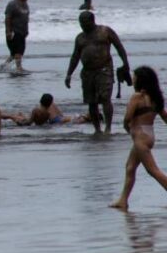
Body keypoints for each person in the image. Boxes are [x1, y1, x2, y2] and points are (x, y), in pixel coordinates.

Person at [110, 66, 167, 211]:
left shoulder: (137, 97)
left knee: (153, 170)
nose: (133, 79)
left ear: (140, 80)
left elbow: (128, 117)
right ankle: (123, 200)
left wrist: (126, 127)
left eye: (134, 77)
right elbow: (165, 117)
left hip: (140, 137)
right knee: (130, 167)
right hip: (149, 134)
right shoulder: (155, 98)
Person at [65, 11, 130, 135]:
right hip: (87, 73)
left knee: (105, 98)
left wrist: (125, 63)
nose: (82, 25)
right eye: (80, 23)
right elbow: (75, 57)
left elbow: (119, 47)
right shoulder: (80, 37)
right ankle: (97, 129)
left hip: (104, 69)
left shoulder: (105, 31)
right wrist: (69, 74)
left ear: (92, 20)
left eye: (85, 22)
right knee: (91, 102)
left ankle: (108, 128)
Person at [1, 93, 90, 126]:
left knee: (12, 116)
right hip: (58, 119)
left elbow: (29, 122)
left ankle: (5, 115)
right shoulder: (51, 106)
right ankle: (85, 116)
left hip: (55, 121)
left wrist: (19, 123)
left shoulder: (36, 111)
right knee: (70, 119)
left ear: (40, 101)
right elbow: (61, 116)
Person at [1, 0, 30, 73]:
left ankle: (3, 67)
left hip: (22, 32)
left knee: (14, 54)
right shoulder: (12, 4)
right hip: (14, 32)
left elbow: (26, 18)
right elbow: (7, 18)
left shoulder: (25, 4)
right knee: (18, 51)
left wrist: (27, 30)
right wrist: (8, 32)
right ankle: (19, 68)